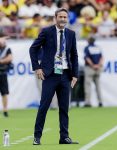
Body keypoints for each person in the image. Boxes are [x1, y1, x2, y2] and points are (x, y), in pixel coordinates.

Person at [29, 8, 79, 145]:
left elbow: (74, 55)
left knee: (64, 108)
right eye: (60, 17)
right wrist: (37, 67)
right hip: (49, 75)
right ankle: (37, 137)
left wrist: (75, 74)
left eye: (65, 17)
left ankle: (64, 137)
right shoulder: (46, 31)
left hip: (65, 74)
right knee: (44, 106)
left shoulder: (71, 34)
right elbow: (33, 49)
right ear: (55, 18)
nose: (63, 19)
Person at [84, 36, 103, 107]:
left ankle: (88, 102)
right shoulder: (98, 47)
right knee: (98, 86)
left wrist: (92, 65)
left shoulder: (87, 47)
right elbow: (102, 57)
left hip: (90, 68)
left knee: (88, 85)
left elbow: (87, 58)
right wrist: (98, 65)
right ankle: (100, 101)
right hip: (98, 68)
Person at [0, 36, 12, 117]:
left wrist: (1, 61)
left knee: (4, 93)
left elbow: (10, 58)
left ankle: (5, 110)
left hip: (2, 73)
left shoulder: (7, 49)